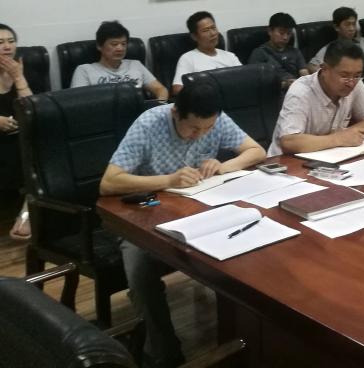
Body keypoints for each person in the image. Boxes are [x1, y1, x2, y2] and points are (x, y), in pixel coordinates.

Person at [99, 78, 266, 368]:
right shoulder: (149, 123)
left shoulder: (213, 118)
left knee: (247, 242)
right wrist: (168, 180)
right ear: (175, 112)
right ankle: (165, 354)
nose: (199, 135)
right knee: (139, 267)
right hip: (146, 213)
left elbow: (256, 151)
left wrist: (222, 166)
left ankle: (246, 339)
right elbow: (109, 182)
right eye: (193, 128)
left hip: (197, 210)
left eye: (207, 129)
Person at [269, 40, 364, 156]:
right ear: (324, 69)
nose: (351, 83)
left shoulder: (355, 83)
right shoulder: (300, 92)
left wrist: (347, 134)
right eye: (344, 76)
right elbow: (289, 142)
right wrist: (339, 138)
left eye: (357, 75)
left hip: (329, 156)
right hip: (285, 161)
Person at [71, 21, 168, 100]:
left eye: (123, 44)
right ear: (99, 46)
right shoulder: (84, 70)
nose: (120, 48)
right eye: (114, 44)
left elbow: (160, 89)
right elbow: (77, 101)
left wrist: (159, 105)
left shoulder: (135, 65)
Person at [0, 23, 32, 241]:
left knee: (40, 149)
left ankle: (26, 214)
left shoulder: (23, 70)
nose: (7, 47)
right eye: (0, 42)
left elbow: (33, 111)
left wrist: (19, 79)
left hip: (21, 139)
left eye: (11, 41)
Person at [170, 11, 240, 95]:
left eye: (213, 28)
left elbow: (246, 78)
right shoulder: (188, 58)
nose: (213, 33)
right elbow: (177, 89)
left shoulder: (230, 56)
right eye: (206, 30)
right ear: (194, 36)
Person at [247, 12, 308, 87]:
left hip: (297, 88)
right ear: (270, 31)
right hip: (273, 91)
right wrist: (284, 84)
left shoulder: (295, 52)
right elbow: (254, 81)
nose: (285, 37)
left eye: (289, 33)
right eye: (281, 33)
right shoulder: (259, 53)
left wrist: (306, 81)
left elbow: (304, 72)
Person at [307, 6, 364, 73]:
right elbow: (311, 66)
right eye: (347, 25)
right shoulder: (330, 48)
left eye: (354, 24)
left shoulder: (362, 41)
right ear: (336, 27)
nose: (352, 29)